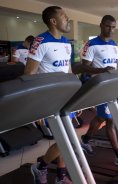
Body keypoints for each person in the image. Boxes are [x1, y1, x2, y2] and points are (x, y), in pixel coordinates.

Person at [26, 6, 73, 184]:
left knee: (66, 138)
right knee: (65, 139)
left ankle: (60, 176)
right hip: (48, 100)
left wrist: (75, 98)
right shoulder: (40, 41)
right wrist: (36, 105)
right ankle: (40, 167)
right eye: (63, 16)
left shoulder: (66, 42)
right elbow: (29, 76)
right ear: (53, 21)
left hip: (65, 98)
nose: (67, 18)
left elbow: (69, 73)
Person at [79, 15, 118, 168]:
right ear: (101, 25)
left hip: (110, 85)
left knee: (102, 117)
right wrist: (102, 70)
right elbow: (84, 67)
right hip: (97, 85)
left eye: (113, 27)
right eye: (108, 26)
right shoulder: (91, 44)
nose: (111, 30)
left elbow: (113, 66)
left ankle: (85, 140)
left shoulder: (115, 44)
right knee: (110, 120)